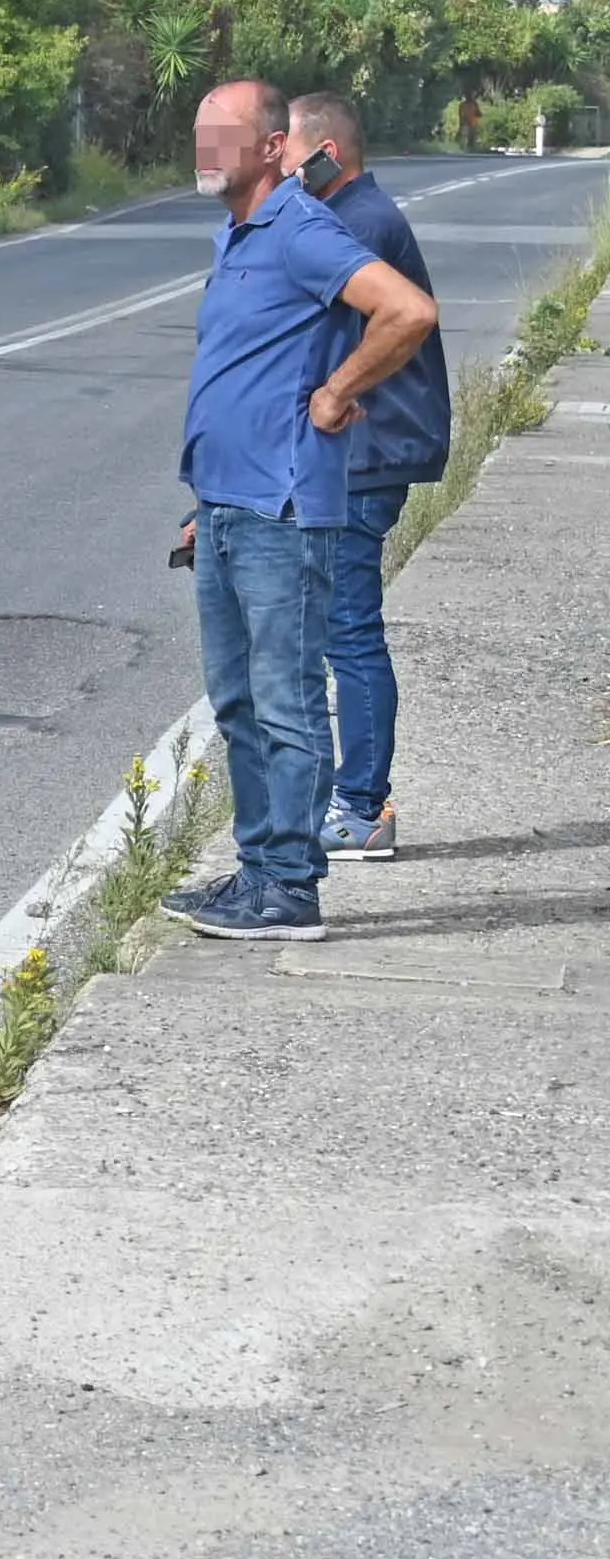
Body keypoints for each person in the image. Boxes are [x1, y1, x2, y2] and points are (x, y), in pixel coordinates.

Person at [167, 79, 440, 942]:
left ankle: (289, 886)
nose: (205, 148)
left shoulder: (304, 230)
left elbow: (408, 312)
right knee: (241, 703)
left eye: (224, 134)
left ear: (275, 145)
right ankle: (260, 874)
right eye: (200, 132)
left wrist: (336, 394)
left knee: (284, 700)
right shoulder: (239, 234)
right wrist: (200, 505)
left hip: (283, 508)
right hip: (227, 504)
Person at [282, 93, 448, 863]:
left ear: (328, 155)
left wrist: (331, 398)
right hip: (368, 449)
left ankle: (362, 808)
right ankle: (351, 800)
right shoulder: (355, 215)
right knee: (339, 626)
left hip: (370, 452)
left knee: (349, 629)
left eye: (289, 153)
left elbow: (333, 350)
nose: (282, 168)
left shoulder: (356, 223)